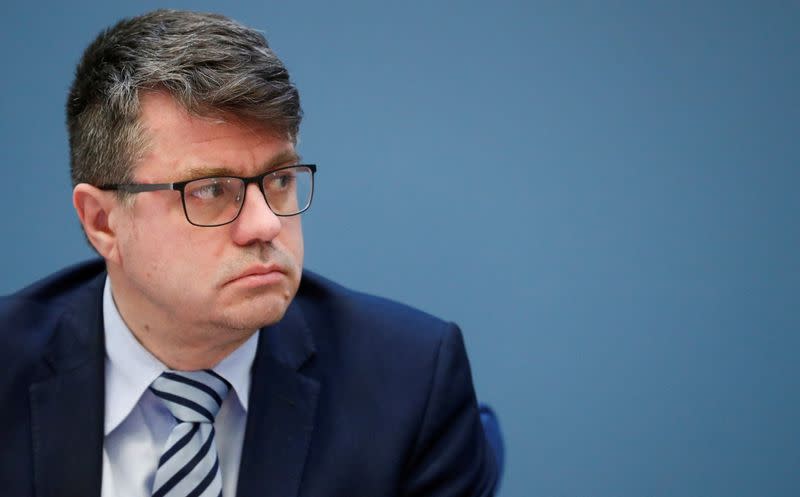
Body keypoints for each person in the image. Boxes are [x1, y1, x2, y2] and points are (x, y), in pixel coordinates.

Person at [0, 9, 500, 497]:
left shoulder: (410, 384)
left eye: (280, 179)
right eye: (211, 189)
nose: (266, 224)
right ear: (102, 222)